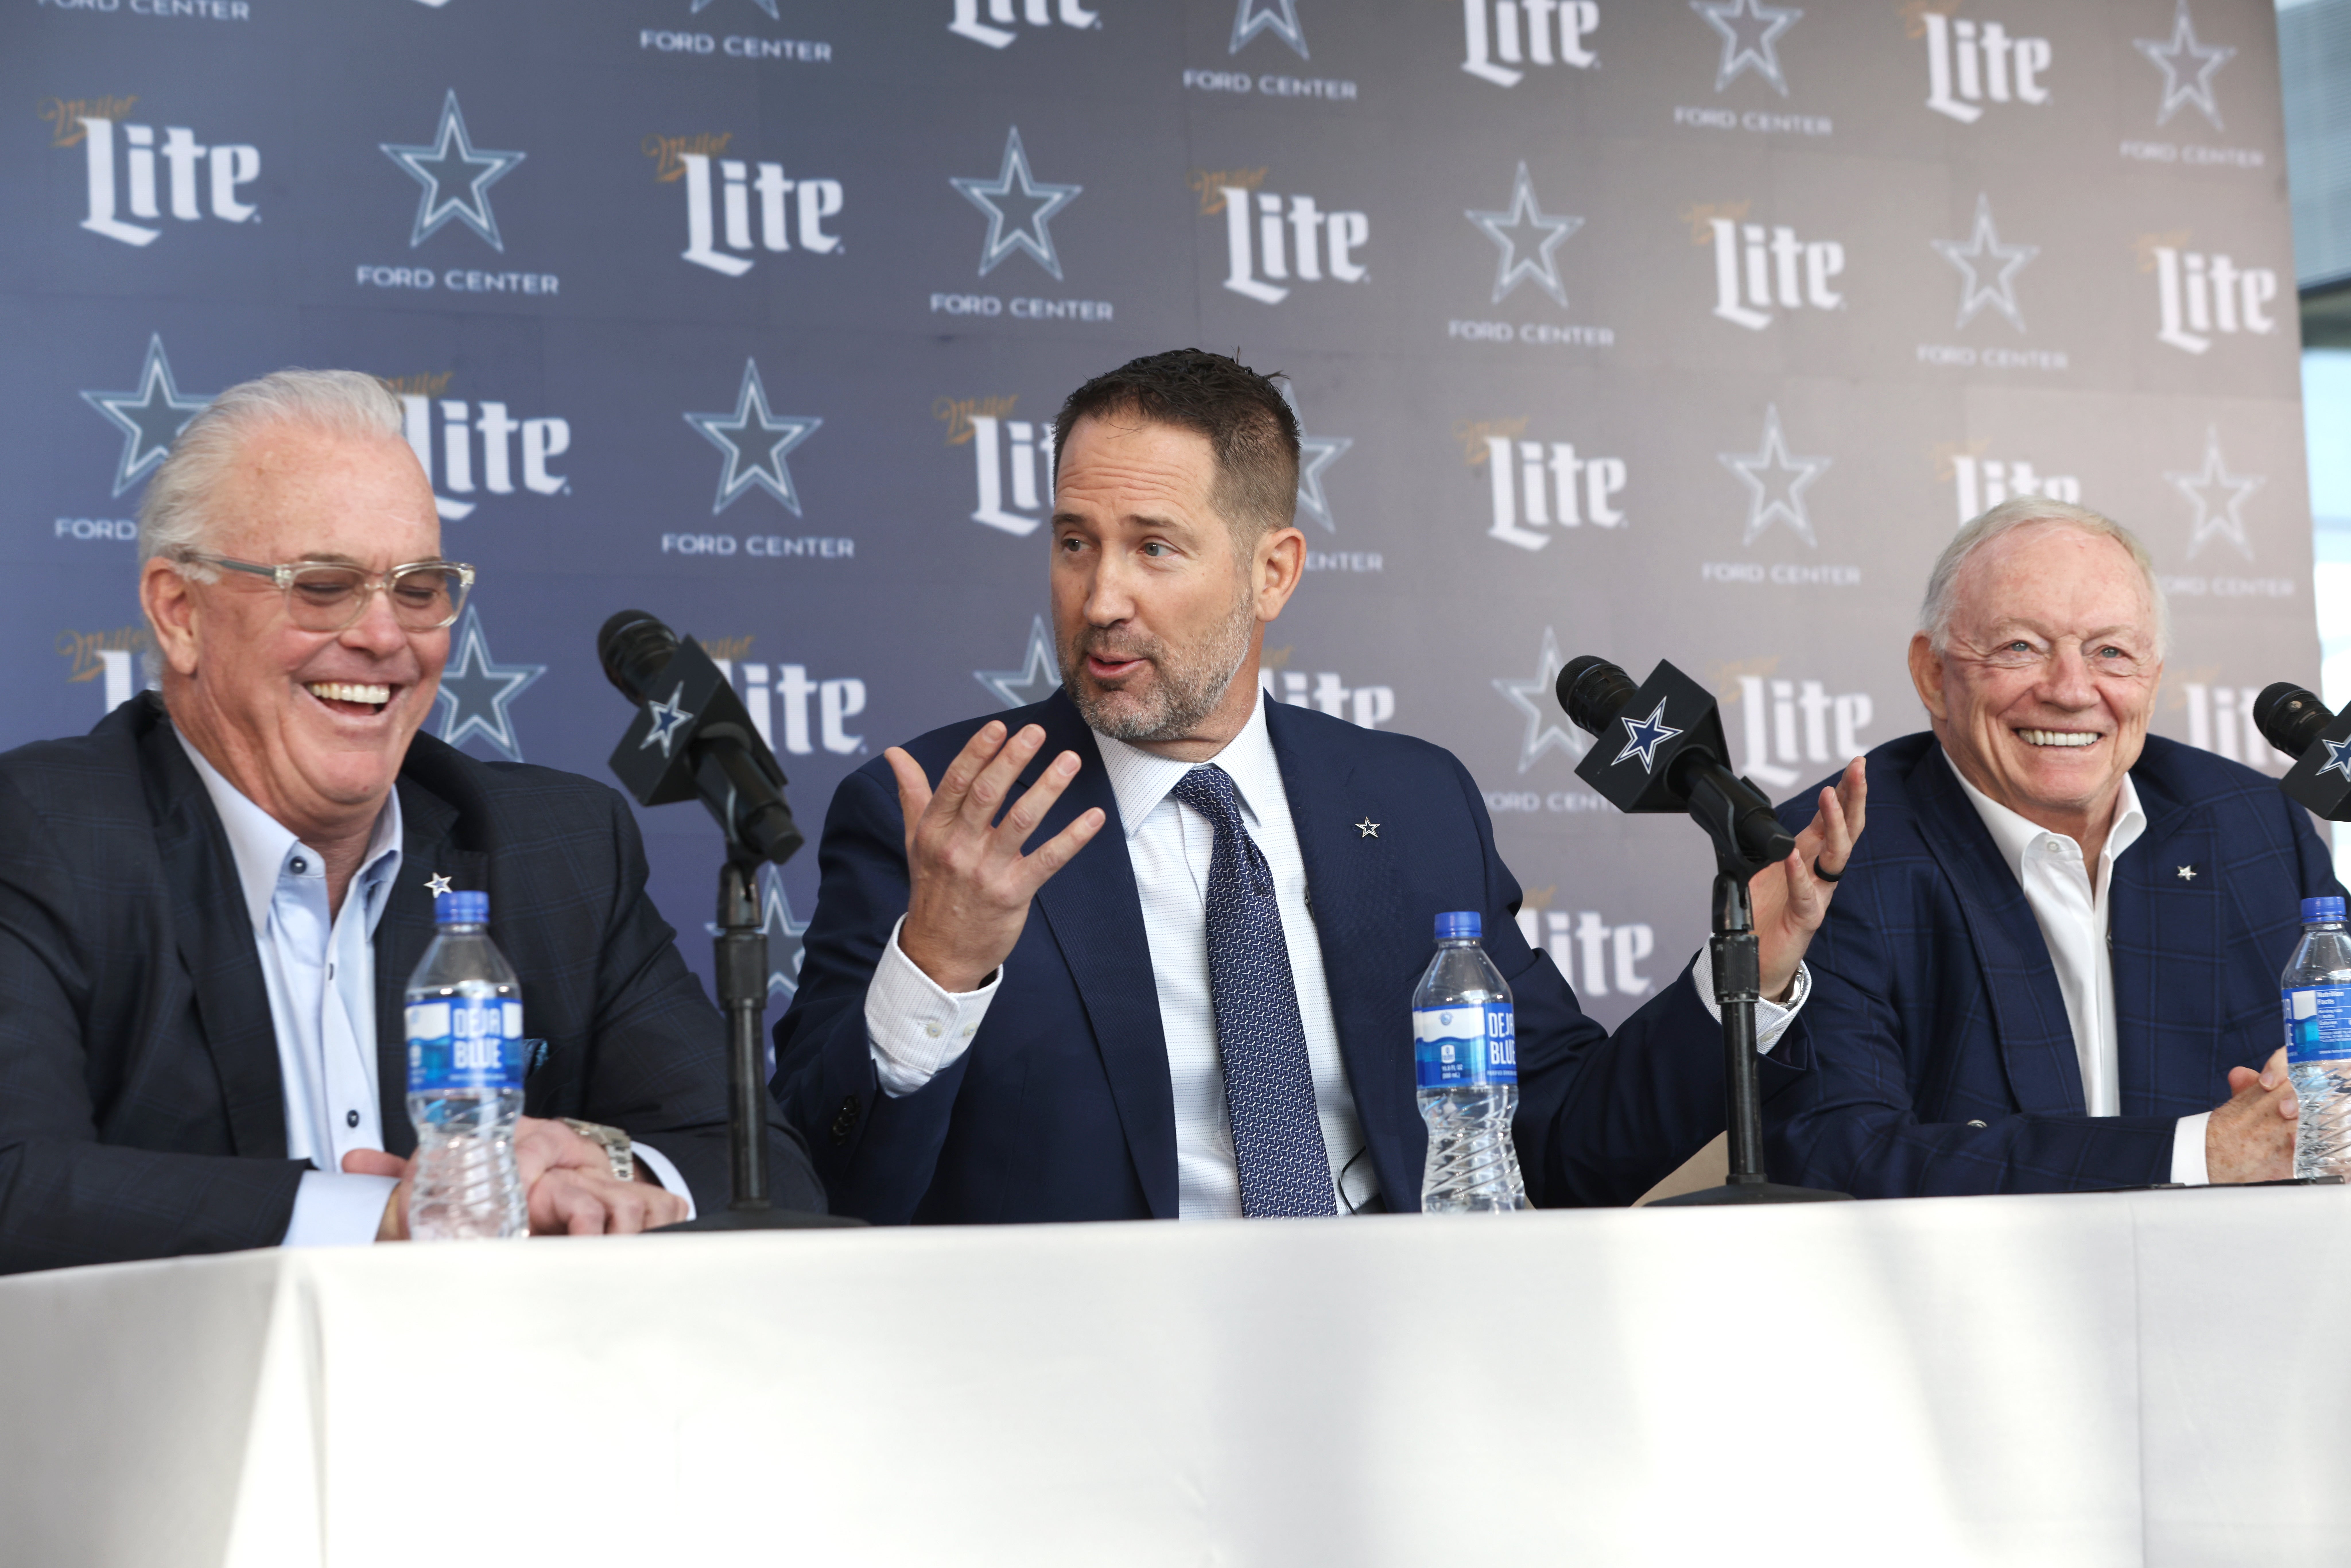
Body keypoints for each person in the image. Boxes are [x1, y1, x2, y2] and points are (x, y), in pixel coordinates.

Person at [774, 349, 1864, 1222]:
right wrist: (940, 968)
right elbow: (834, 1186)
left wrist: (1743, 978)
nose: (1099, 595)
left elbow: (1558, 1149)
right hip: (1092, 1390)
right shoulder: (945, 813)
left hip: (1398, 1365)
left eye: (1154, 548)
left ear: (1272, 571)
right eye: (1074, 542)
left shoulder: (1416, 802)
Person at [0, 369, 823, 1274]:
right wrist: (398, 1220)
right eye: (323, 585)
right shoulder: (43, 834)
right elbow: (20, 1186)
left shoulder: (559, 849)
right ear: (180, 612)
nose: (386, 638)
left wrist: (596, 1172)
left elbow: (770, 1177)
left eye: (420, 588)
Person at [1764, 497, 2329, 1197]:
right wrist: (2200, 1153)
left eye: (2111, 652)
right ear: (1933, 674)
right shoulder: (1833, 851)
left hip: (2238, 1283)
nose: (2070, 690)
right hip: (1964, 1296)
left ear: (2152, 682)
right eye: (2019, 647)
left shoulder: (2254, 826)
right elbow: (1838, 1152)